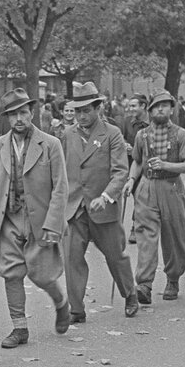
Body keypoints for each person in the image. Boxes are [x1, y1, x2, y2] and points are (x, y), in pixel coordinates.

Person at [0, 88, 70, 348]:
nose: (19, 118)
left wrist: (53, 224)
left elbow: (60, 188)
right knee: (11, 272)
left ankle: (61, 303)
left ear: (32, 113)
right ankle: (19, 328)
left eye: (23, 112)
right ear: (7, 117)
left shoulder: (50, 144)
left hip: (39, 219)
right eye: (13, 114)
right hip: (8, 218)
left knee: (42, 275)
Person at [61, 82, 139, 323]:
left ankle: (130, 293)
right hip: (75, 208)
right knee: (71, 258)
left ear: (98, 109)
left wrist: (106, 196)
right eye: (77, 111)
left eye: (86, 110)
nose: (81, 116)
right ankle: (76, 309)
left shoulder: (111, 133)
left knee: (115, 256)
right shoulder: (67, 135)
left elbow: (120, 172)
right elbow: (61, 171)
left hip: (103, 207)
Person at [123, 90, 185, 303]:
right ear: (150, 110)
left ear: (172, 109)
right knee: (146, 236)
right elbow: (136, 161)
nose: (160, 109)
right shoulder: (141, 135)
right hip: (146, 186)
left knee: (173, 235)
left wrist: (166, 165)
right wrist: (130, 180)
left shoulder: (181, 135)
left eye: (165, 105)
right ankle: (144, 284)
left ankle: (173, 278)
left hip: (171, 186)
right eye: (156, 106)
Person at [122, 93, 149, 244]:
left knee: (141, 196)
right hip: (129, 164)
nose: (130, 109)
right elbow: (122, 138)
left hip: (146, 166)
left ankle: (135, 227)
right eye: (129, 106)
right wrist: (124, 145)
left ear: (143, 106)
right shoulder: (126, 122)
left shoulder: (152, 124)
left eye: (133, 106)